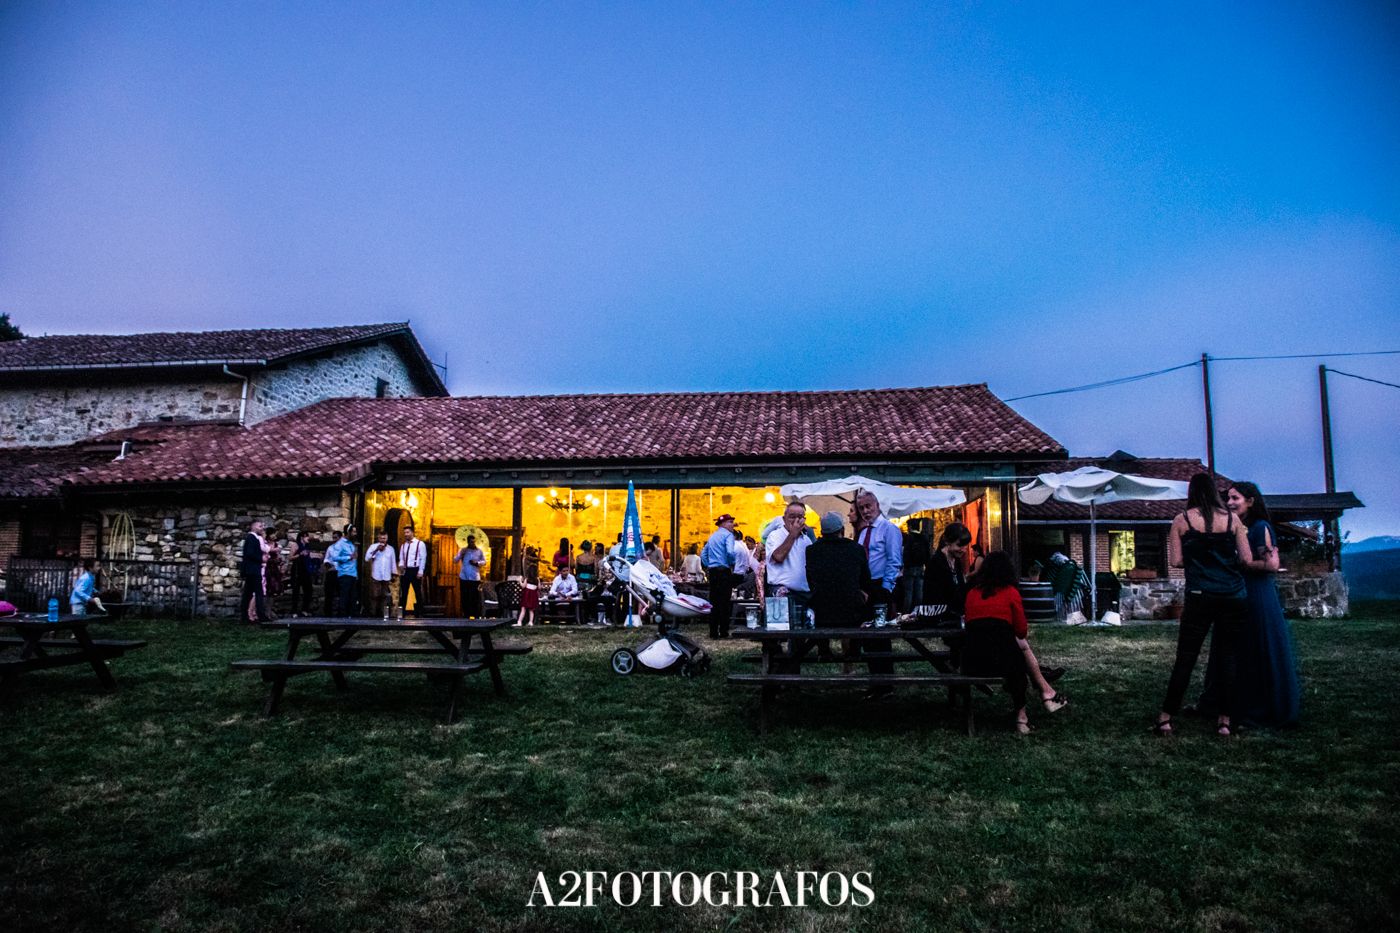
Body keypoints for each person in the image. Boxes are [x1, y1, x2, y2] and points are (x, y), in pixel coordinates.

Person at [1155, 473, 1265, 737]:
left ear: (1192, 492)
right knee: (1228, 657)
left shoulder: (1182, 521)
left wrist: (1198, 559)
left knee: (1186, 657)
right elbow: (1247, 559)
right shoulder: (1232, 520)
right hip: (1233, 595)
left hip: (1200, 593)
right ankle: (1225, 721)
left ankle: (1166, 718)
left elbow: (1176, 562)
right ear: (1215, 492)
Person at [1208, 482, 1298, 728]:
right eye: (1228, 498)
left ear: (1251, 501)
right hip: (1235, 592)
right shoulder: (1236, 527)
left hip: (1257, 594)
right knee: (1233, 648)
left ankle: (1261, 708)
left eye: (1235, 498)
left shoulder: (1260, 528)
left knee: (1257, 646)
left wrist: (1242, 564)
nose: (1229, 503)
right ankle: (1225, 702)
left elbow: (1271, 564)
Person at [962, 551, 1068, 734]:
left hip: (973, 661)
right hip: (1004, 663)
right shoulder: (1011, 593)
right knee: (1019, 654)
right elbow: (1021, 631)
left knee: (1016, 649)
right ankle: (1024, 716)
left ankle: (1046, 691)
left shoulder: (971, 594)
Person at [855, 491, 903, 699]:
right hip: (866, 586)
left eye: (868, 507)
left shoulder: (889, 529)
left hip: (881, 586)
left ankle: (886, 683)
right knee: (868, 635)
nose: (865, 511)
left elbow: (894, 560)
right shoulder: (864, 532)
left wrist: (886, 589)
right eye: (862, 508)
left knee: (881, 636)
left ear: (876, 505)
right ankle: (875, 680)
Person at [804, 511, 871, 654]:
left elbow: (810, 580)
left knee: (817, 600)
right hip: (852, 612)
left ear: (822, 531)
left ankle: (824, 651)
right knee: (861, 607)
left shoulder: (811, 551)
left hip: (822, 613)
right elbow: (865, 578)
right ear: (842, 530)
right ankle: (854, 652)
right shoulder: (856, 549)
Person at [766, 500, 815, 622]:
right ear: (784, 518)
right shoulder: (775, 535)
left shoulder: (806, 540)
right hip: (782, 591)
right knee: (780, 631)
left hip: (803, 593)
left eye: (800, 517)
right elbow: (778, 557)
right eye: (792, 517)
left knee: (803, 631)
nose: (796, 521)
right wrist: (792, 534)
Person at [702, 514, 742, 638]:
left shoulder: (712, 536)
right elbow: (730, 552)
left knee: (714, 602)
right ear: (723, 524)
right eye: (730, 522)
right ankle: (723, 631)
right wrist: (731, 563)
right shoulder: (728, 535)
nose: (732, 525)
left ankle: (713, 631)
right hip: (724, 571)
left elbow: (703, 554)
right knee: (724, 602)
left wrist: (709, 565)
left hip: (713, 572)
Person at [924, 522, 971, 621]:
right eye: (959, 545)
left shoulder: (956, 561)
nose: (963, 550)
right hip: (942, 617)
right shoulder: (936, 563)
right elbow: (934, 595)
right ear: (947, 542)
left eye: (965, 546)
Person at [324, 527, 359, 618]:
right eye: (354, 532)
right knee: (344, 595)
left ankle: (351, 616)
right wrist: (348, 558)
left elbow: (354, 559)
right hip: (344, 573)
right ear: (348, 532)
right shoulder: (340, 544)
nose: (355, 533)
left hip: (352, 573)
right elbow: (335, 557)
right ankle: (342, 616)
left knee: (353, 596)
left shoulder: (351, 544)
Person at [240, 519, 269, 624]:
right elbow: (250, 553)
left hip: (251, 569)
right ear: (253, 527)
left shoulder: (253, 538)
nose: (262, 528)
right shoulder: (252, 538)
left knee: (248, 593)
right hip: (253, 569)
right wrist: (262, 559)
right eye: (260, 526)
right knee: (258, 592)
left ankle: (244, 617)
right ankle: (261, 615)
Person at [365, 530, 398, 618]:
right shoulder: (373, 547)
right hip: (376, 575)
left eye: (384, 538)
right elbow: (367, 558)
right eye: (381, 538)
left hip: (386, 576)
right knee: (374, 595)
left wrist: (394, 573)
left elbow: (393, 562)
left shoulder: (391, 549)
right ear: (378, 538)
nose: (383, 540)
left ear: (387, 539)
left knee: (384, 596)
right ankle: (373, 614)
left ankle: (382, 614)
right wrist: (376, 550)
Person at [398, 526, 427, 618]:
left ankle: (419, 613)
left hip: (415, 570)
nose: (406, 534)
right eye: (405, 533)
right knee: (404, 592)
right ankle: (401, 613)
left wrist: (420, 571)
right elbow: (401, 558)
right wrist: (401, 566)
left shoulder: (420, 544)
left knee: (417, 592)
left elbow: (423, 558)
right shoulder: (403, 545)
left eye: (407, 532)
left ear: (412, 533)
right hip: (406, 571)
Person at [454, 535, 485, 617]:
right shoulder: (463, 550)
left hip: (475, 577)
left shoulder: (479, 551)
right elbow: (455, 560)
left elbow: (484, 561)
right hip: (464, 577)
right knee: (465, 597)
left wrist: (477, 563)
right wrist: (461, 554)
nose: (473, 543)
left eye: (474, 542)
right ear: (468, 542)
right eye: (471, 542)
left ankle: (475, 614)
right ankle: (466, 614)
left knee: (475, 597)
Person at [288, 531, 316, 617]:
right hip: (297, 570)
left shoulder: (307, 546)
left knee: (308, 590)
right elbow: (290, 557)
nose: (308, 539)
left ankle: (305, 609)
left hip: (306, 570)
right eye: (306, 537)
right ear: (302, 537)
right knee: (296, 591)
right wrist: (300, 554)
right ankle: (294, 611)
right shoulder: (296, 545)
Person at [515, 552, 540, 627]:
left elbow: (523, 586)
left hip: (526, 595)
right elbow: (539, 588)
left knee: (523, 609)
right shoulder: (537, 580)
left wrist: (520, 580)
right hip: (533, 596)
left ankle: (519, 622)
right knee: (531, 610)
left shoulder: (527, 579)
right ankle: (530, 622)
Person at [322, 529, 342, 616]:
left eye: (336, 538)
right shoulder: (330, 548)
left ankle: (341, 613)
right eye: (333, 538)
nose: (334, 539)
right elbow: (326, 558)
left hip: (341, 572)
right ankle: (328, 613)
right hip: (332, 572)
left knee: (342, 594)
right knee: (329, 593)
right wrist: (328, 564)